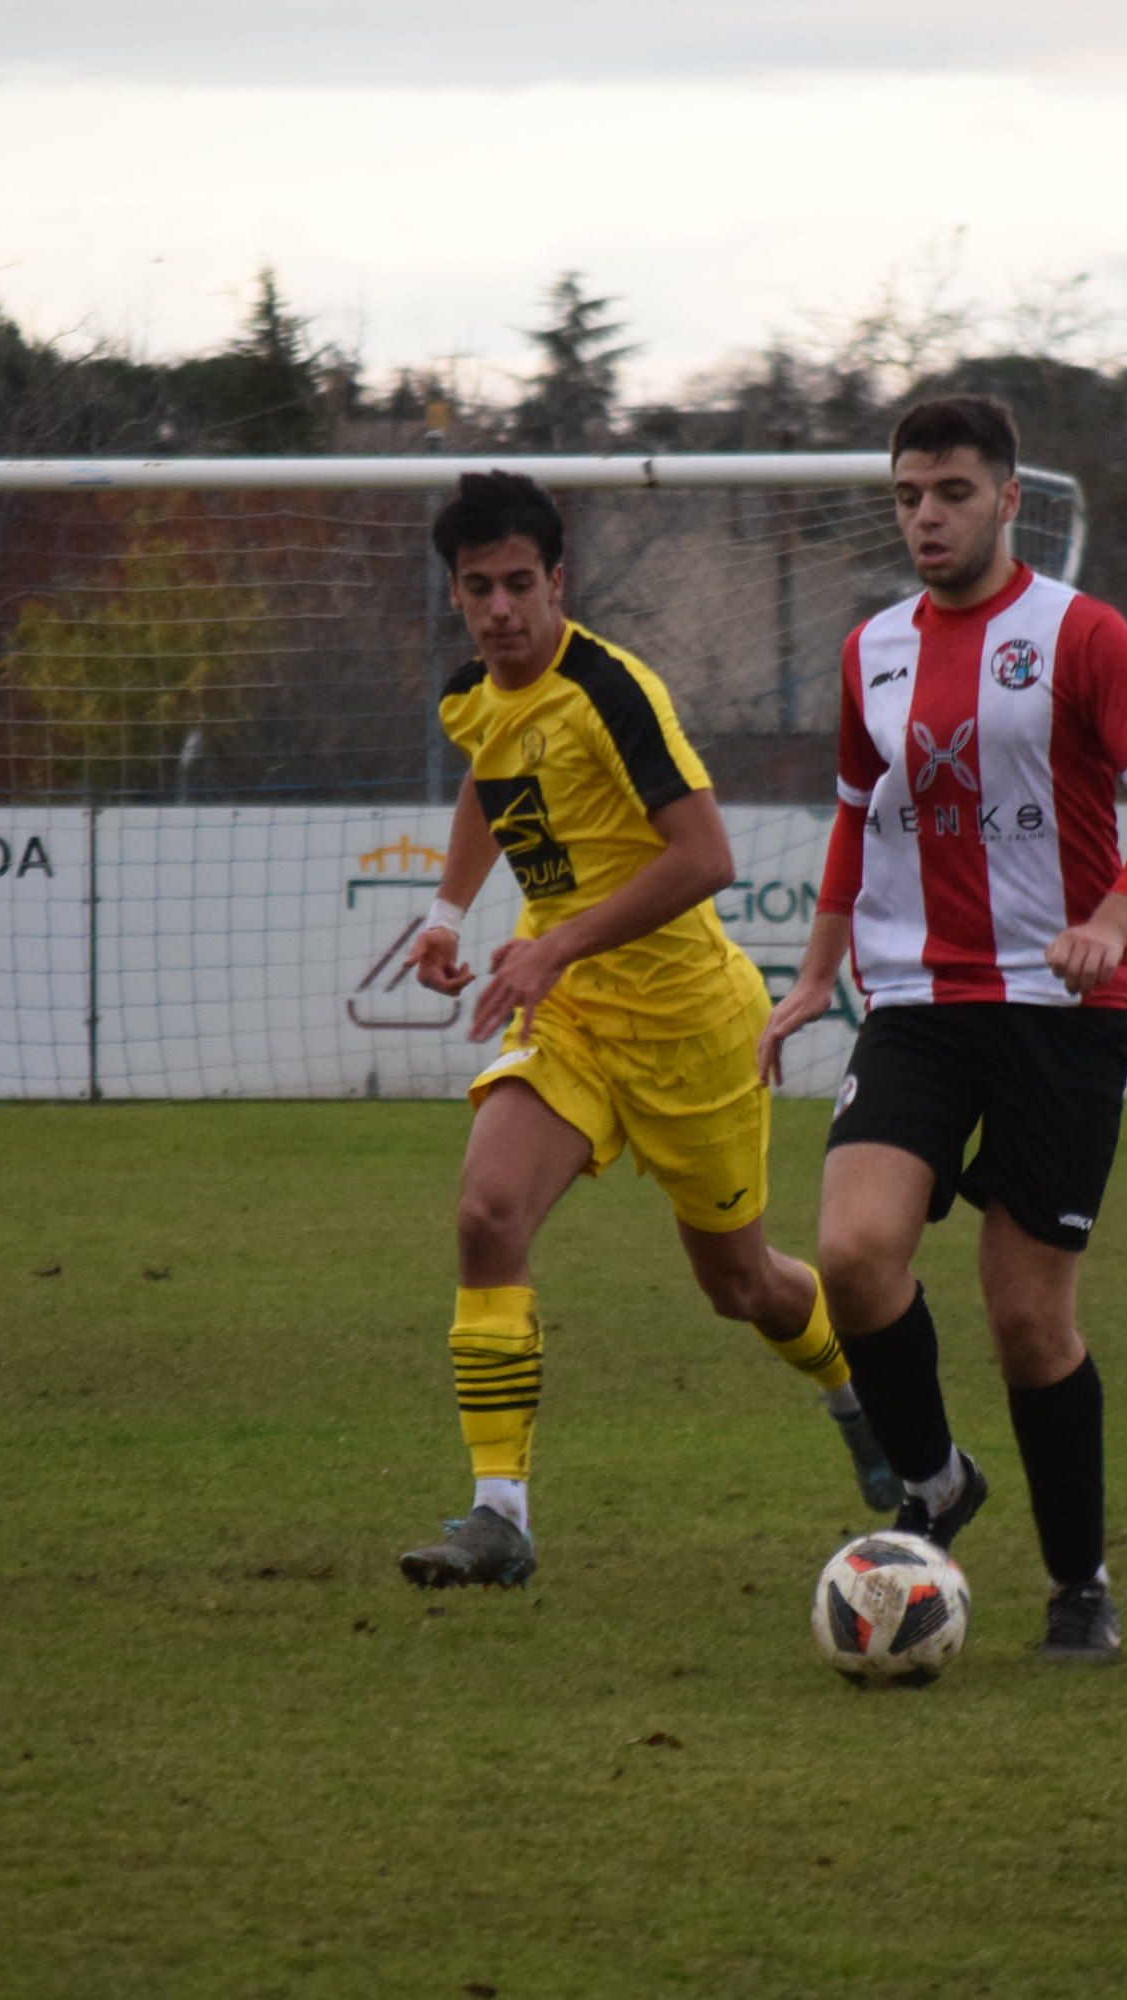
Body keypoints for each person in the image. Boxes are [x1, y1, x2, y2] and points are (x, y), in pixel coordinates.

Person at [758, 395, 1127, 1663]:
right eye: (907, 494)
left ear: (1009, 500)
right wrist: (811, 977)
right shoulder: (872, 651)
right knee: (852, 1252)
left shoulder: (1082, 634)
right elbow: (859, 815)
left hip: (1061, 1014)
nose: (926, 516)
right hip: (914, 1003)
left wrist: (1115, 919)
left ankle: (1080, 1580)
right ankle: (937, 1480)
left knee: (1026, 1316)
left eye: (951, 492)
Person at [396, 469, 899, 1589]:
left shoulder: (615, 691)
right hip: (571, 1017)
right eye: (476, 588)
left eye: (519, 583)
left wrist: (555, 941)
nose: (499, 609)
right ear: (456, 594)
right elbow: (492, 774)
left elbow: (706, 857)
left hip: (689, 1030)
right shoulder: (472, 692)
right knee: (485, 1214)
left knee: (740, 1285)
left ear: (557, 580)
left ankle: (853, 1395)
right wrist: (446, 912)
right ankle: (499, 1516)